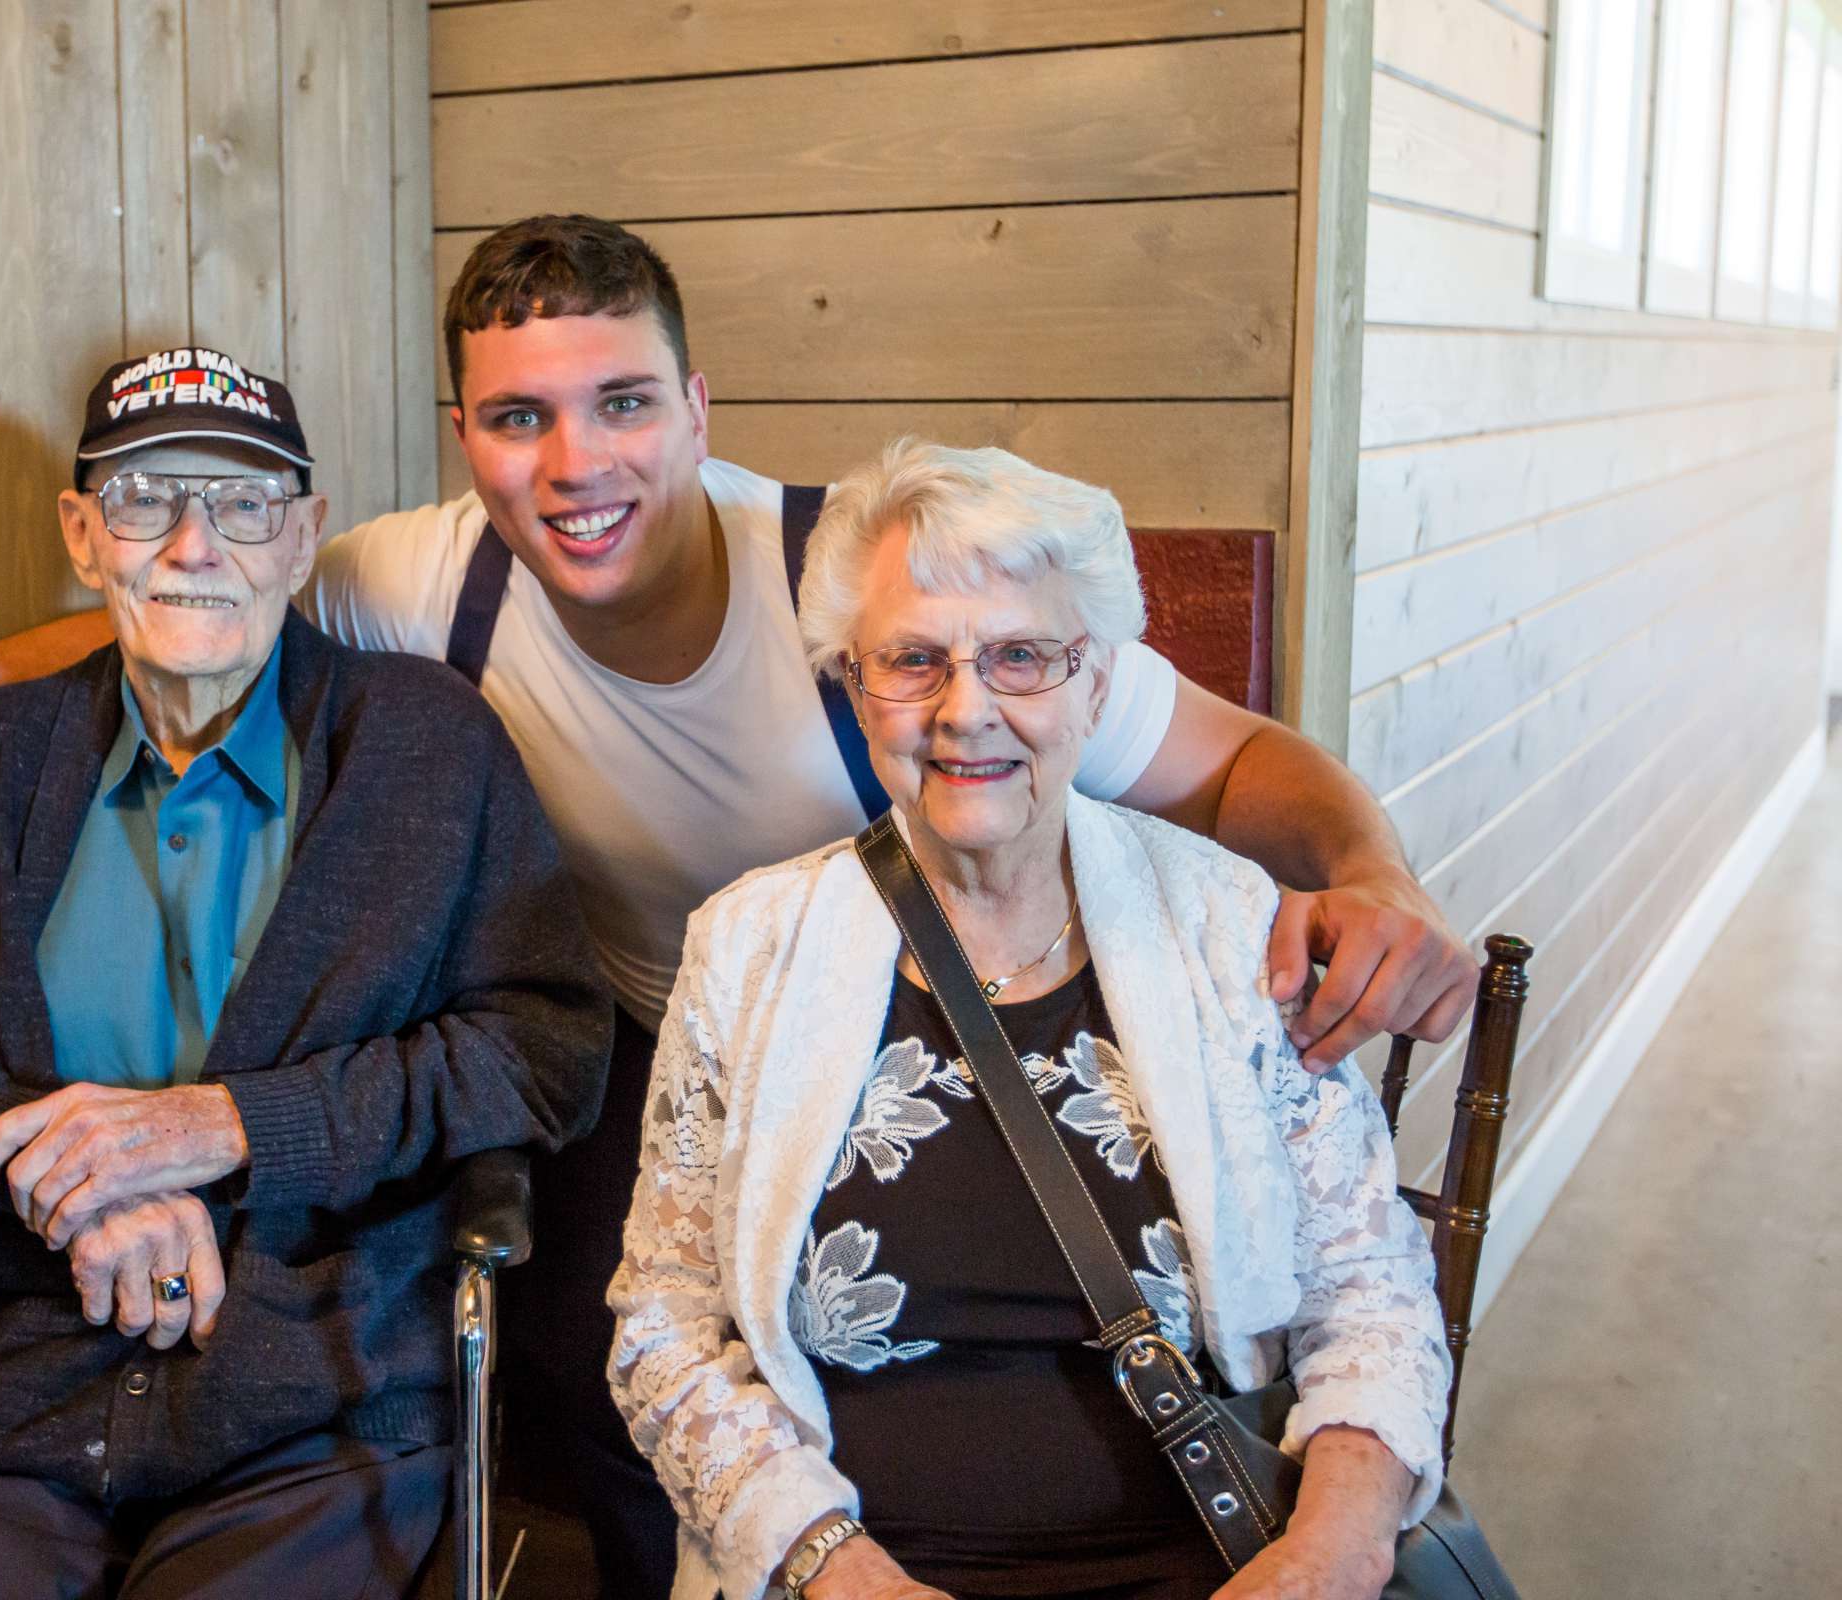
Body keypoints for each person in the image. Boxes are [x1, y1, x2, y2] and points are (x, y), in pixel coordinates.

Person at [0, 218, 1475, 1598]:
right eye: (522, 418)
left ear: (696, 408)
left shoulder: (876, 593)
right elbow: (201, 597)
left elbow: (1238, 764)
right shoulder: (418, 585)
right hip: (670, 1028)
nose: (576, 461)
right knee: (613, 1370)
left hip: (942, 997)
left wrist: (1372, 868)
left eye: (621, 405)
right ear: (466, 438)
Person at [0, 349, 612, 1599]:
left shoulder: (426, 747)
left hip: (312, 1412)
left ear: (303, 538)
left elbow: (548, 1047)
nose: (196, 545)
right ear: (86, 538)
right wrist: (47, 1162)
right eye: (146, 498)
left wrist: (229, 1129)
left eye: (245, 503)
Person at [609, 439, 1448, 1600]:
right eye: (913, 660)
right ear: (855, 685)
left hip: (1206, 1560)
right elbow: (664, 1329)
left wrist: (1330, 1550)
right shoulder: (746, 949)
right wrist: (833, 1570)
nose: (967, 710)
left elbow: (1372, 1286)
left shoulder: (1225, 925)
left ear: (1097, 682)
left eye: (1021, 656)